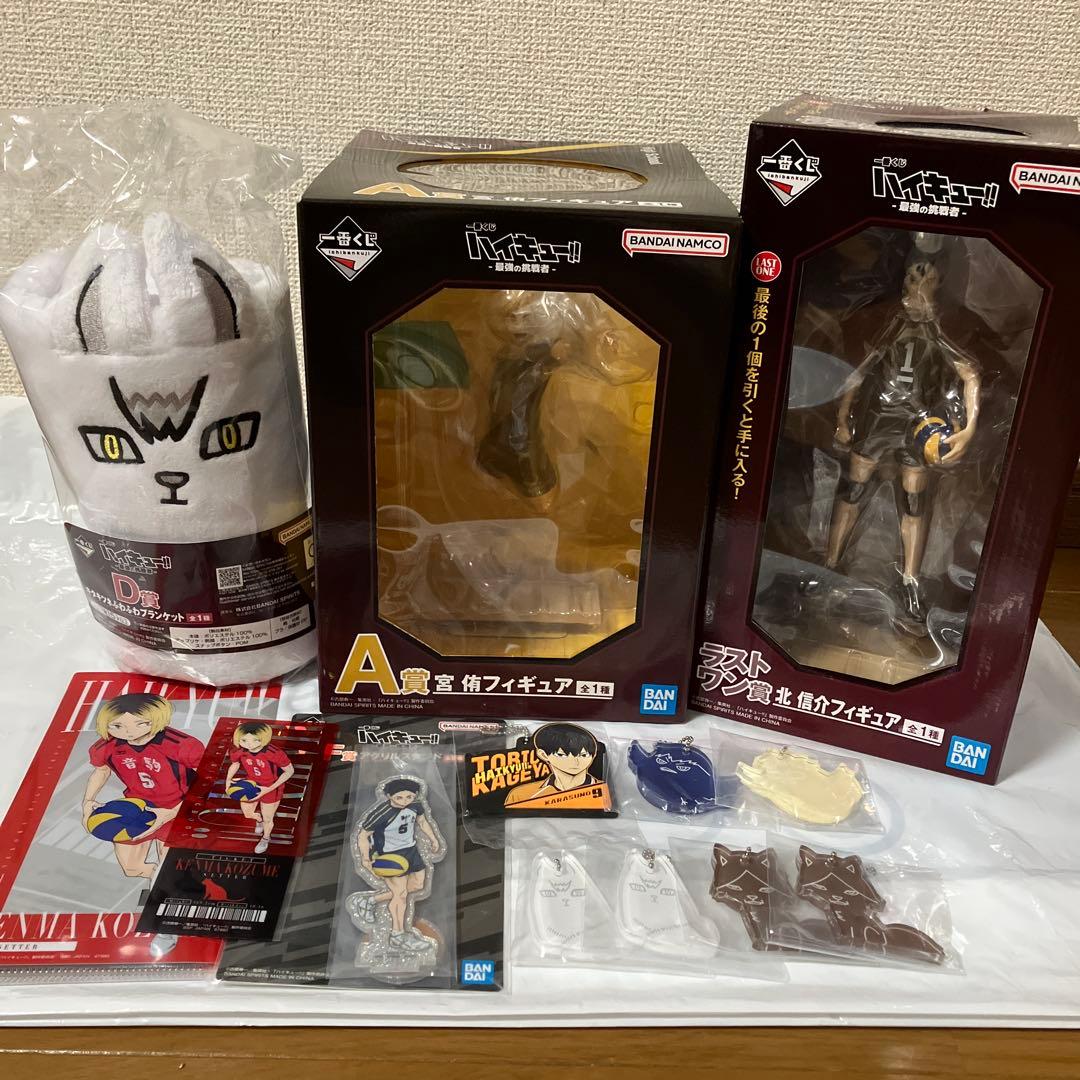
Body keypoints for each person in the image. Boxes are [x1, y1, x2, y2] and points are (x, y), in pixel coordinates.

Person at [826, 235, 980, 622]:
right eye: (913, 278)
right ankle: (829, 566)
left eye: (927, 279)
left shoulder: (941, 329)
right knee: (853, 488)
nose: (918, 287)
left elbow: (970, 375)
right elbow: (858, 374)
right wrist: (843, 417)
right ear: (903, 281)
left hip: (919, 425)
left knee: (914, 500)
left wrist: (967, 428)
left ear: (939, 283)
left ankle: (910, 579)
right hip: (877, 420)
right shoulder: (890, 323)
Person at [81, 692, 204, 880]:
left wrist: (173, 812)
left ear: (158, 719)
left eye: (140, 723)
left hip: (179, 808)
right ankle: (157, 881)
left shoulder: (184, 745)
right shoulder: (105, 747)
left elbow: (209, 779)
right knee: (132, 869)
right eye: (117, 726)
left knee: (173, 871)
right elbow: (101, 771)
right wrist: (87, 801)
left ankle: (170, 886)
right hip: (135, 807)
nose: (128, 731)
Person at [348, 778, 443, 952]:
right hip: (389, 855)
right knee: (400, 895)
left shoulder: (416, 805)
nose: (404, 801)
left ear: (415, 795)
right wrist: (365, 859)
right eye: (399, 797)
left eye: (409, 797)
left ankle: (369, 901)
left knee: (417, 886)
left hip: (411, 851)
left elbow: (422, 822)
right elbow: (362, 835)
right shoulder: (382, 812)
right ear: (389, 796)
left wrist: (433, 838)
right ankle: (398, 935)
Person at [225, 722, 294, 854]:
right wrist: (228, 780)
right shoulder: (238, 750)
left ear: (264, 738)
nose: (249, 744)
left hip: (271, 787)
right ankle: (259, 820)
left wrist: (268, 789)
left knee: (268, 818)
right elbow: (235, 764)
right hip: (251, 784)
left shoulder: (275, 753)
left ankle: (265, 838)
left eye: (255, 740)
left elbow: (289, 771)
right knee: (247, 814)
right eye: (244, 740)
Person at [504, 723, 606, 808]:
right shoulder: (520, 795)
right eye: (562, 755)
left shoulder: (603, 791)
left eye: (583, 755)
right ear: (543, 755)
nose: (575, 762)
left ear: (594, 755)